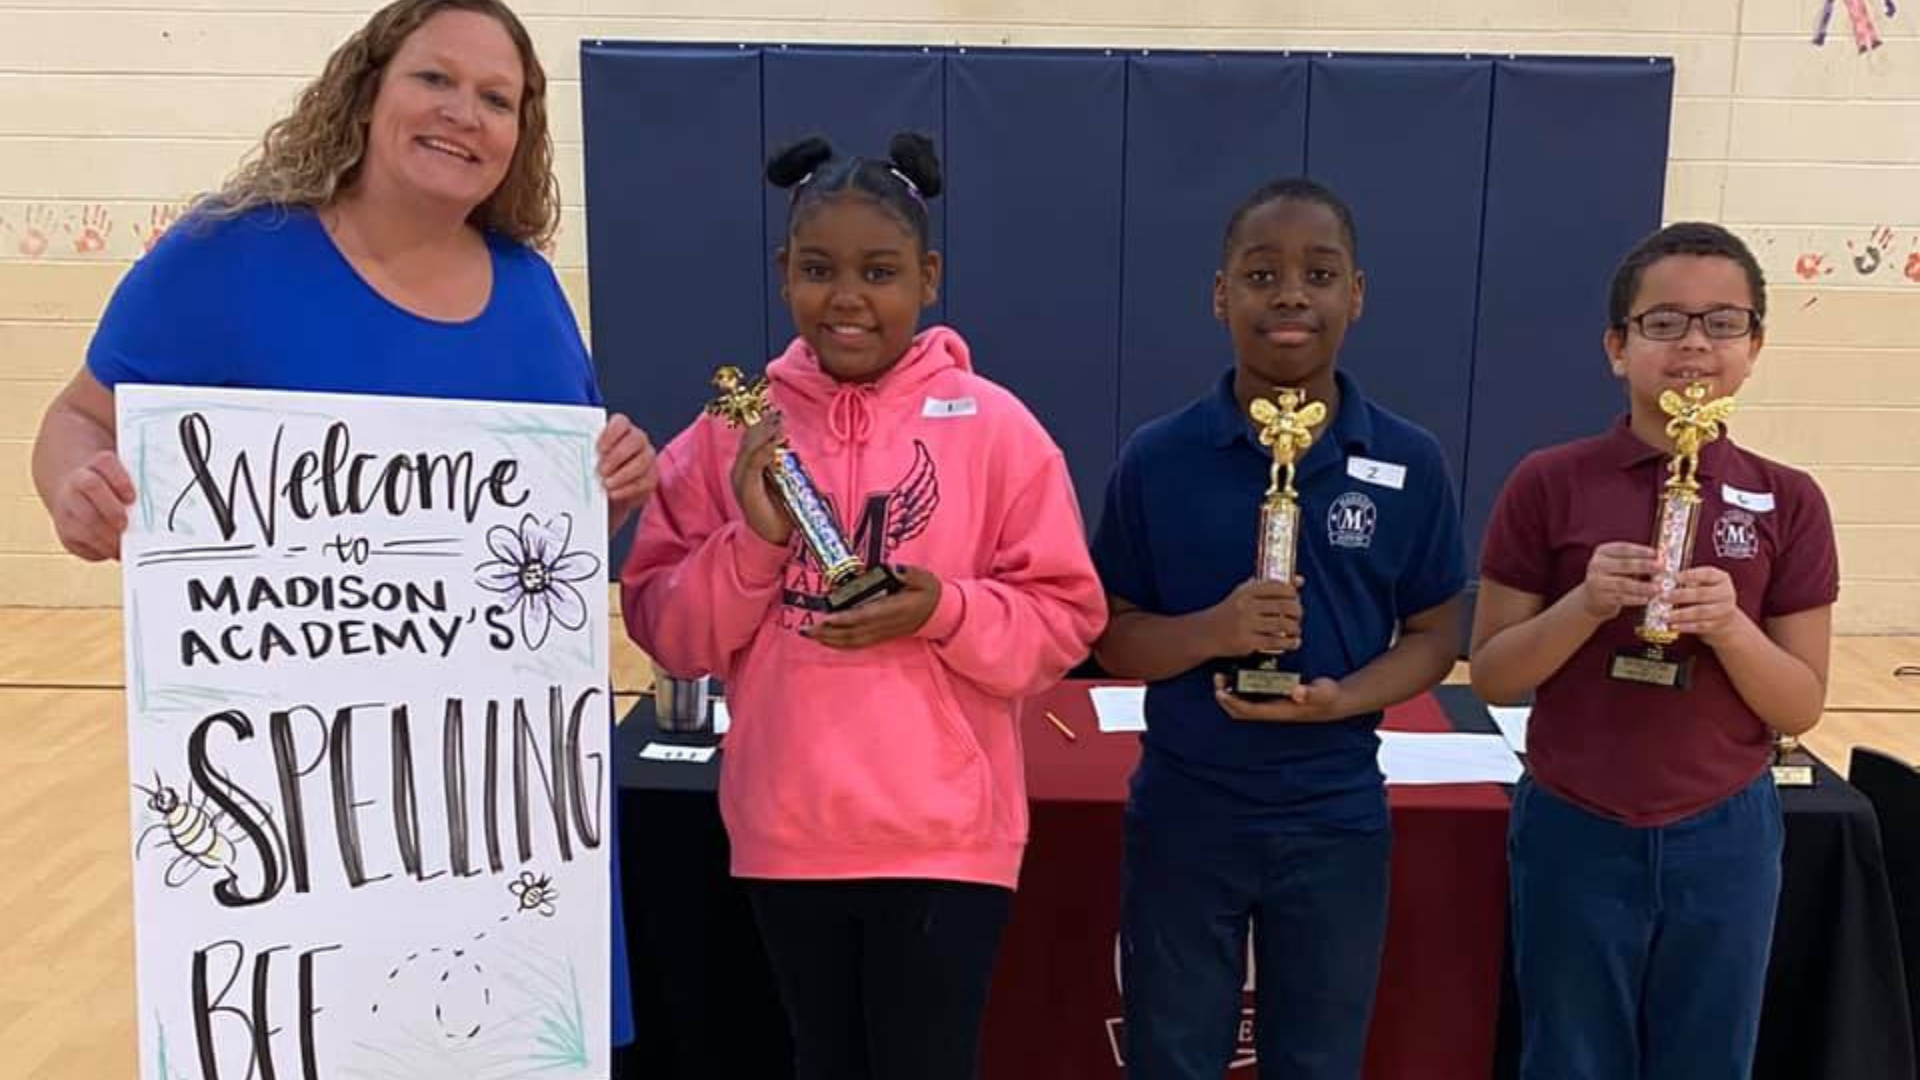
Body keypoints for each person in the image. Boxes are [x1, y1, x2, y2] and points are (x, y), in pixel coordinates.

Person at [28, 0, 653, 1047]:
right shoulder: (226, 256)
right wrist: (75, 488)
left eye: (498, 99)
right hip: (295, 823)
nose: (465, 113)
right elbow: (79, 418)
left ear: (522, 133)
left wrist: (610, 494)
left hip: (495, 815)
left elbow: (553, 544)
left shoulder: (532, 292)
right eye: (435, 79)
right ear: (366, 90)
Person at [620, 132, 1106, 1080]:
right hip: (788, 829)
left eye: (878, 271)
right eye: (818, 270)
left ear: (927, 278)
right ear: (782, 275)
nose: (847, 297)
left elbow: (1065, 621)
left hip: (946, 838)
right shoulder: (734, 432)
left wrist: (943, 610)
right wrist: (756, 544)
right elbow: (664, 626)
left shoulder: (998, 430)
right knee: (822, 1059)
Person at [1088, 178, 1465, 1079]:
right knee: (1171, 1055)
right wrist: (1213, 632)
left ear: (1357, 295)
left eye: (1319, 273)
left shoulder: (1408, 460)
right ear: (1222, 296)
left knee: (1320, 1059)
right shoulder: (1159, 457)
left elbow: (1435, 635)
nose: (1291, 293)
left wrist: (1343, 699)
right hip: (1188, 807)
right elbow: (1111, 635)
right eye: (1261, 273)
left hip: (1334, 815)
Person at [1470, 221, 1837, 1080]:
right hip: (1575, 824)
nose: (1694, 344)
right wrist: (1585, 605)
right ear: (1617, 347)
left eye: (1722, 321)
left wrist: (1731, 628)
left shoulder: (1790, 501)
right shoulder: (1548, 482)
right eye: (1664, 322)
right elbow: (1493, 673)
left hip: (1724, 831)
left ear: (1754, 348)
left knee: (1710, 1058)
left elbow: (1800, 704)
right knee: (1569, 1055)